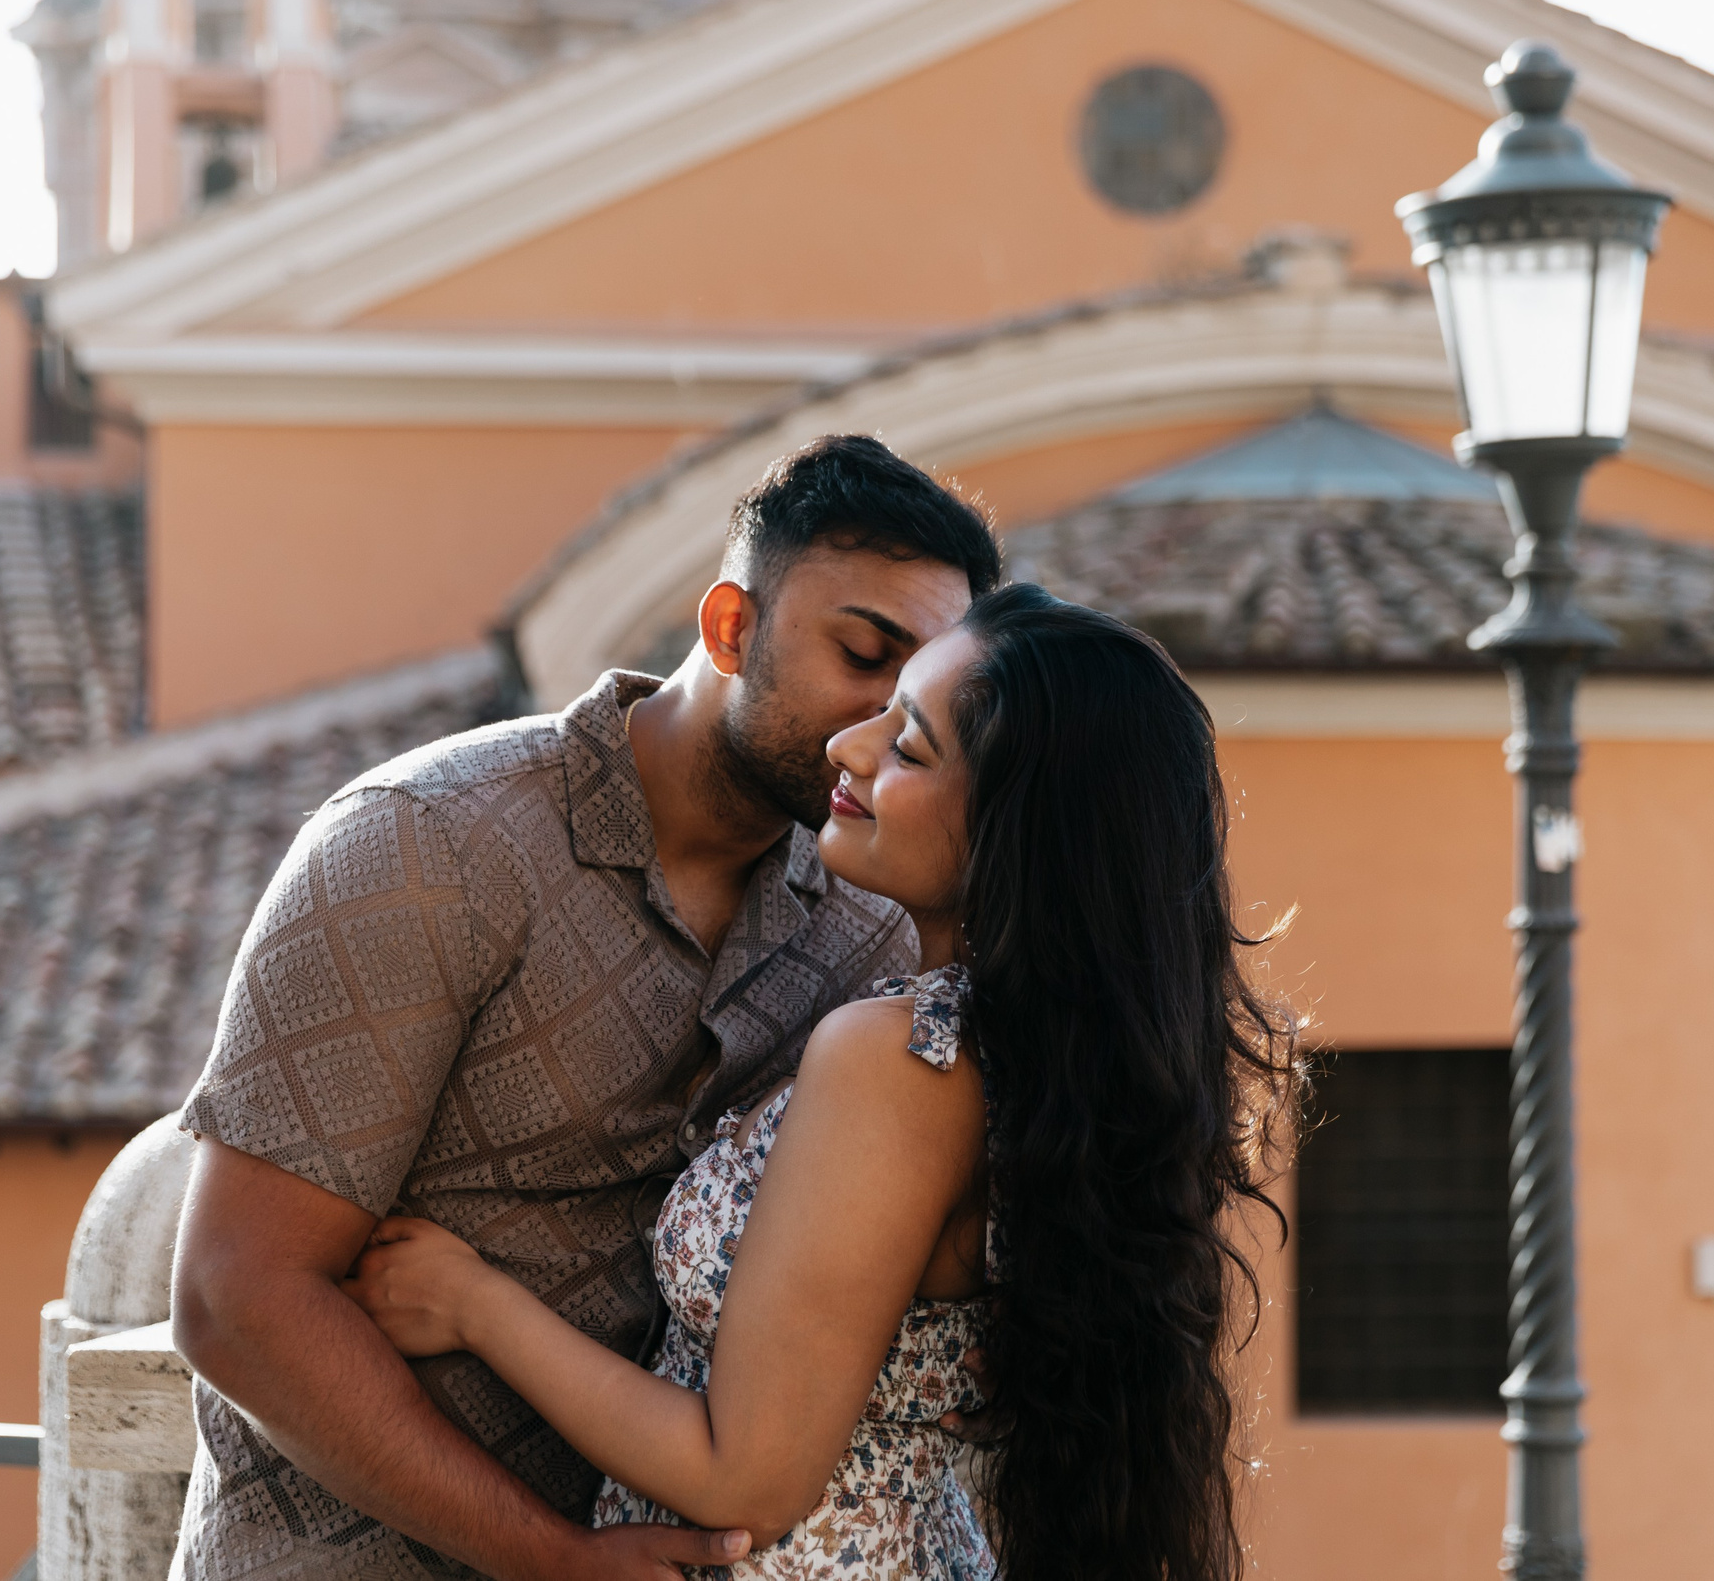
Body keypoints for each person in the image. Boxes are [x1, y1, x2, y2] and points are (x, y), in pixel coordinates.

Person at [167, 435, 1004, 1581]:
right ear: (731, 628)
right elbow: (235, 1296)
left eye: (915, 696)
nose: (878, 724)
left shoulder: (877, 921)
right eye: (863, 655)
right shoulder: (426, 846)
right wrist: (550, 1559)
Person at [343, 583, 1304, 1581]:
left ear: (1018, 835)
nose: (849, 747)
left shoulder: (906, 1059)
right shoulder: (1034, 1064)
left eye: (909, 748)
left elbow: (742, 1481)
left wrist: (473, 1304)